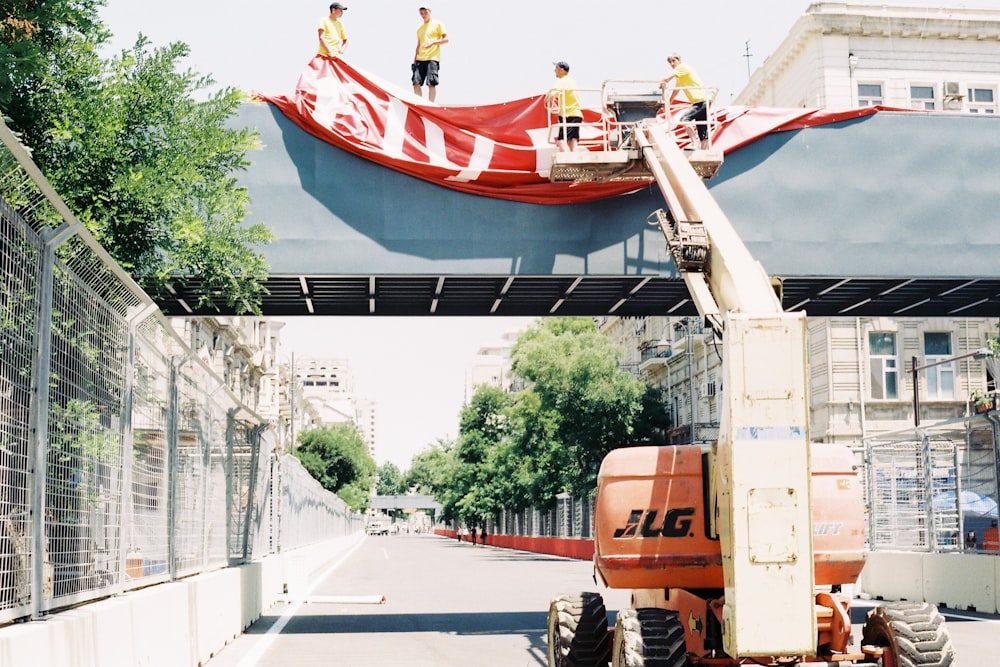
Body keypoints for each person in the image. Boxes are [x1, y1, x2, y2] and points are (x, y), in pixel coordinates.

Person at [660, 53, 708, 150]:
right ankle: (704, 151)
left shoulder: (682, 67)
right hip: (702, 101)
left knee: (684, 120)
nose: (672, 64)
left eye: (674, 61)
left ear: (679, 60)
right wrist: (668, 103)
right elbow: (676, 90)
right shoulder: (680, 76)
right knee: (702, 130)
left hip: (700, 101)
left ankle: (695, 143)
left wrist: (663, 82)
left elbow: (668, 78)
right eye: (670, 62)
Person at [412, 7, 448, 102]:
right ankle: (419, 105)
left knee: (431, 83)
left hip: (432, 58)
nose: (424, 15)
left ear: (430, 12)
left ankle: (430, 105)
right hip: (420, 59)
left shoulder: (437, 24)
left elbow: (446, 39)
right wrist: (414, 61)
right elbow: (418, 45)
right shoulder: (419, 29)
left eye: (425, 12)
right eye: (422, 13)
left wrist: (433, 43)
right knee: (416, 83)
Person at [545, 61, 583, 152]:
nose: (555, 71)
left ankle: (568, 158)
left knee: (561, 140)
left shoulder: (562, 81)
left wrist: (546, 101)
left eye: (556, 68)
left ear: (562, 70)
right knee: (573, 140)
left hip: (568, 114)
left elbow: (553, 92)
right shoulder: (572, 81)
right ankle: (575, 157)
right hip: (577, 114)